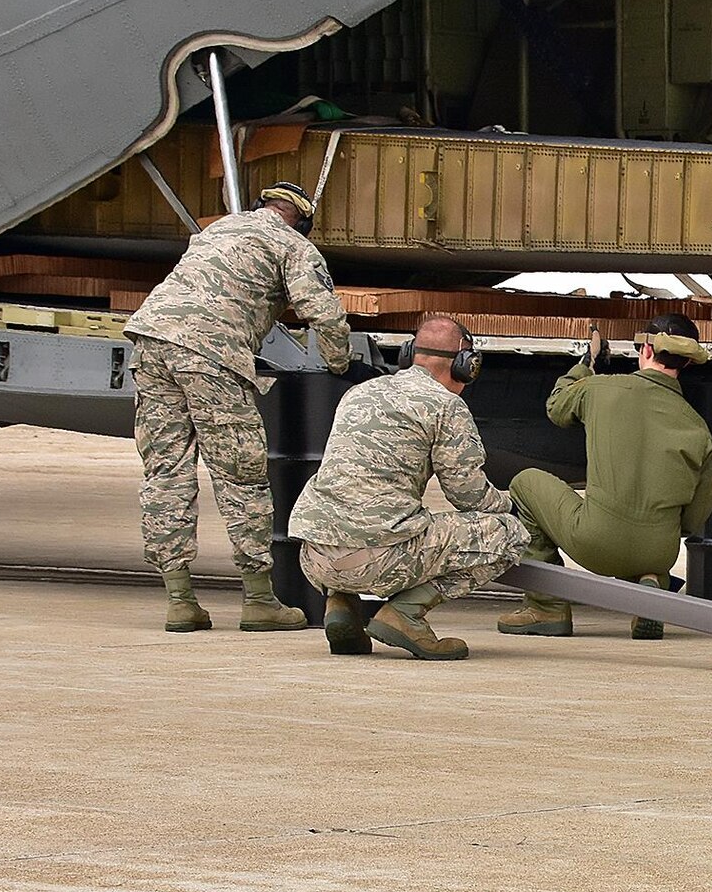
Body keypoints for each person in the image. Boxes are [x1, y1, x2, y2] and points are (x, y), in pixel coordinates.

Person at [123, 180, 352, 634]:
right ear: (303, 223)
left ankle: (180, 601)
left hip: (150, 342)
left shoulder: (218, 229)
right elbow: (322, 313)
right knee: (241, 475)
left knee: (165, 473)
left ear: (261, 206)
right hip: (211, 353)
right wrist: (339, 362)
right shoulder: (293, 245)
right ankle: (260, 600)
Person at [288, 316, 529, 661]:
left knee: (357, 521)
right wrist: (509, 505)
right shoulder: (446, 406)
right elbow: (467, 495)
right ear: (465, 365)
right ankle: (405, 615)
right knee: (508, 534)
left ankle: (341, 606)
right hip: (378, 559)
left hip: (314, 558)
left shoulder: (360, 392)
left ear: (408, 354)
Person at [500, 313, 712, 641]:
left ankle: (547, 607)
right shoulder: (698, 426)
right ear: (686, 363)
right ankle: (650, 583)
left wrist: (585, 365)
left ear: (645, 349)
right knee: (649, 538)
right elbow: (697, 516)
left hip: (597, 545)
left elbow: (557, 407)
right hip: (659, 551)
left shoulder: (601, 388)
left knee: (525, 482)